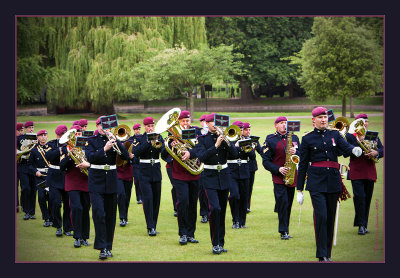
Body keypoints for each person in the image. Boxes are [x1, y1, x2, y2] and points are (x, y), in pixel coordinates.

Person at [296, 107, 362, 262]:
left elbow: (345, 149)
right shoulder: (307, 139)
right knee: (321, 216)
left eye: (325, 117)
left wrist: (355, 150)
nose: (323, 120)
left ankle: (328, 254)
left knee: (331, 217)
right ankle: (321, 254)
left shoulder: (335, 134)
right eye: (320, 117)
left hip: (333, 181)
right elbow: (303, 164)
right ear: (314, 120)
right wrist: (299, 189)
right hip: (316, 183)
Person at [84, 116, 130, 260]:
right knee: (99, 214)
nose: (106, 129)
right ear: (97, 126)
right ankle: (102, 246)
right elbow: (90, 157)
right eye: (103, 126)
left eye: (108, 127)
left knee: (110, 215)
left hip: (111, 179)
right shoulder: (91, 140)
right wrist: (104, 148)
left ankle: (108, 247)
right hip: (96, 180)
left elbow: (125, 156)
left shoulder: (114, 139)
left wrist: (117, 142)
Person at [193, 113, 238, 254]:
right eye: (211, 122)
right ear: (206, 123)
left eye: (215, 121)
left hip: (224, 176)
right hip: (209, 177)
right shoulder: (202, 139)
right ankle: (214, 243)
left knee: (223, 211)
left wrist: (226, 141)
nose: (214, 124)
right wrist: (216, 145)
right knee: (216, 209)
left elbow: (235, 154)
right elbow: (201, 157)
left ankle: (221, 243)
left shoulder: (225, 137)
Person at [262, 116, 300, 240]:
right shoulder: (270, 139)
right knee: (282, 203)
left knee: (288, 204)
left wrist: (297, 152)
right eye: (281, 123)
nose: (284, 125)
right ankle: (283, 231)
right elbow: (265, 161)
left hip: (292, 175)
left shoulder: (294, 138)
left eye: (286, 123)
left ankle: (286, 229)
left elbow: (302, 156)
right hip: (279, 177)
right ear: (276, 126)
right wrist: (277, 169)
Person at [345, 113, 384, 235]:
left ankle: (364, 224)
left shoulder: (372, 135)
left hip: (369, 171)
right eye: (362, 122)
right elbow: (347, 151)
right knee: (359, 198)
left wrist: (376, 152)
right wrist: (359, 142)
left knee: (367, 198)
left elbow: (382, 149)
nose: (365, 123)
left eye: (366, 121)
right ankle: (361, 225)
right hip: (356, 171)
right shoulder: (351, 136)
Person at [169, 110, 201, 245]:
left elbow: (201, 148)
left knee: (193, 204)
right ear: (179, 122)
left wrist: (190, 153)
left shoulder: (196, 133)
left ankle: (191, 234)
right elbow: (165, 153)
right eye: (183, 121)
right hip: (179, 174)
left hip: (194, 173)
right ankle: (182, 234)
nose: (186, 123)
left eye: (188, 121)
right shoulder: (172, 136)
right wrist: (172, 147)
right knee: (183, 202)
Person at [60, 125, 91, 248]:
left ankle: (84, 237)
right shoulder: (64, 149)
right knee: (77, 208)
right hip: (72, 182)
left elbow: (93, 160)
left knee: (85, 208)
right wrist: (68, 156)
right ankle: (77, 237)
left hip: (85, 181)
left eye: (79, 133)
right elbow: (62, 166)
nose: (78, 136)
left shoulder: (87, 147)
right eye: (75, 134)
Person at [133, 117, 165, 236]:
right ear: (145, 127)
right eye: (148, 126)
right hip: (144, 171)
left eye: (152, 126)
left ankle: (154, 225)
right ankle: (150, 226)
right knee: (148, 199)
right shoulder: (139, 138)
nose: (151, 128)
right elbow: (136, 152)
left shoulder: (159, 136)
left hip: (156, 170)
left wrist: (166, 145)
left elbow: (163, 152)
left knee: (156, 200)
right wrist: (148, 142)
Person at [46, 125, 73, 237]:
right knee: (56, 203)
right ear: (58, 134)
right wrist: (61, 149)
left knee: (67, 204)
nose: (63, 136)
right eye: (62, 134)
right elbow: (49, 156)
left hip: (65, 175)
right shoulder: (51, 144)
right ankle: (58, 226)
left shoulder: (70, 144)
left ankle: (67, 228)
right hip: (53, 176)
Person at [227, 121, 255, 229]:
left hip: (244, 171)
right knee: (234, 195)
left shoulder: (246, 141)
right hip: (231, 171)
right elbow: (229, 155)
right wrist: (235, 146)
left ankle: (242, 222)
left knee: (244, 197)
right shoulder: (229, 141)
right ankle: (235, 220)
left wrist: (247, 148)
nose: (241, 131)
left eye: (242, 129)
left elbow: (252, 156)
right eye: (239, 129)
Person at [28, 129, 53, 227]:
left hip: (50, 176)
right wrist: (35, 172)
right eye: (41, 135)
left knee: (51, 197)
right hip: (40, 177)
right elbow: (30, 164)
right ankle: (46, 218)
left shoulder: (51, 147)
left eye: (45, 135)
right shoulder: (34, 150)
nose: (43, 137)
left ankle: (51, 217)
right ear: (37, 137)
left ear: (47, 136)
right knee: (41, 197)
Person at [18, 121, 37, 220]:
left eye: (32, 127)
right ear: (25, 129)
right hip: (22, 165)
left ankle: (32, 212)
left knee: (33, 189)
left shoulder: (36, 138)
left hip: (32, 166)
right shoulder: (20, 138)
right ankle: (26, 210)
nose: (31, 129)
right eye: (29, 128)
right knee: (26, 188)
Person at [242, 122, 261, 213]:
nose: (248, 132)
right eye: (246, 130)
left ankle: (247, 206)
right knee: (243, 188)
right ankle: (242, 205)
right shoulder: (240, 140)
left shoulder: (253, 139)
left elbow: (261, 151)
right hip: (242, 167)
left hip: (251, 167)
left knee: (249, 188)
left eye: (249, 130)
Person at [116, 133, 134, 227]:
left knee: (127, 196)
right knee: (121, 194)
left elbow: (135, 159)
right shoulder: (115, 143)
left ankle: (125, 216)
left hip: (128, 172)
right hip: (118, 172)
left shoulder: (130, 144)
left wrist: (132, 157)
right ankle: (122, 218)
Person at [198, 114, 209, 223]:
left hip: (212, 165)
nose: (205, 123)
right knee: (202, 190)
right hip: (201, 164)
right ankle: (204, 213)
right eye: (203, 121)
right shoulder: (197, 132)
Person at [131, 123, 143, 204]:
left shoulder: (143, 138)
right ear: (134, 130)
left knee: (143, 180)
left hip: (142, 162)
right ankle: (138, 197)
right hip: (135, 162)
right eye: (136, 129)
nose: (138, 131)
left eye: (139, 129)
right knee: (137, 180)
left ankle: (143, 196)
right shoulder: (131, 139)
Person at [16, 123, 24, 213]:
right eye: (19, 130)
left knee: (23, 186)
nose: (21, 132)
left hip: (21, 164)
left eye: (22, 130)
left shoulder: (23, 139)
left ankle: (23, 204)